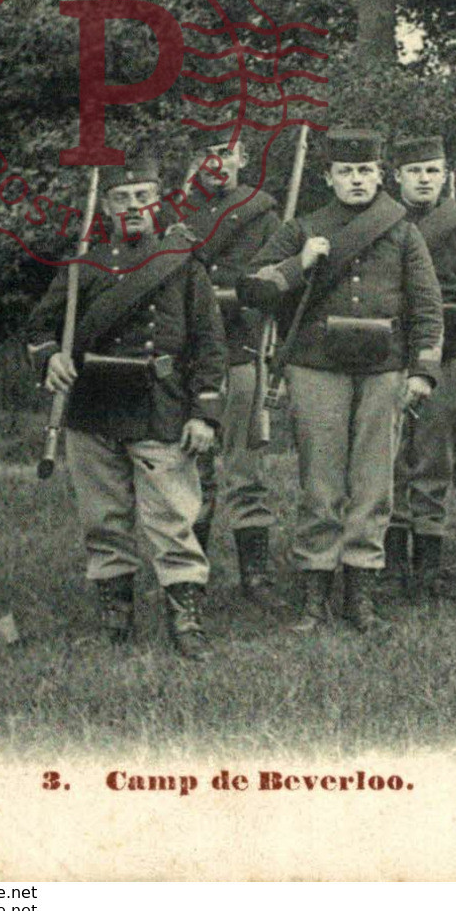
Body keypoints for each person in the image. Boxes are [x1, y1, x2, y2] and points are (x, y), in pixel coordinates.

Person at [240, 127, 445, 634]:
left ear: (379, 175)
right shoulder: (303, 227)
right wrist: (299, 262)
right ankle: (316, 593)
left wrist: (423, 371)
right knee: (321, 483)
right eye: (347, 172)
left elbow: (427, 307)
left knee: (374, 484)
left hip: (385, 371)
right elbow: (253, 288)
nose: (357, 180)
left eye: (366, 171)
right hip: (316, 368)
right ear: (328, 177)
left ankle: (362, 594)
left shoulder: (401, 230)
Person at [25, 154, 227, 660]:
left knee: (172, 518)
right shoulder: (82, 265)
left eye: (143, 197)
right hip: (92, 407)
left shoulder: (182, 263)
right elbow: (38, 328)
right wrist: (49, 359)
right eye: (122, 199)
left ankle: (185, 619)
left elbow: (209, 344)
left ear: (158, 200)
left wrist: (204, 413)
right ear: (108, 207)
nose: (134, 208)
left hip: (159, 404)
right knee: (104, 518)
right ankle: (116, 620)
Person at [171, 137, 284, 608]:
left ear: (243, 156)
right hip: (186, 363)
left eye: (228, 150)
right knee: (188, 469)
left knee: (245, 467)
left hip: (241, 352)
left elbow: (274, 282)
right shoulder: (170, 217)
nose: (218, 162)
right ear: (194, 160)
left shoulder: (264, 216)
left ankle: (254, 577)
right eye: (206, 152)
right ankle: (188, 575)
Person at [387, 135, 456, 600]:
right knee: (387, 459)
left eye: (433, 170)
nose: (424, 179)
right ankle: (389, 562)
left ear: (445, 175)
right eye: (415, 171)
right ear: (397, 177)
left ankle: (428, 563)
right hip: (386, 357)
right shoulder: (379, 225)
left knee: (432, 457)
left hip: (444, 357)